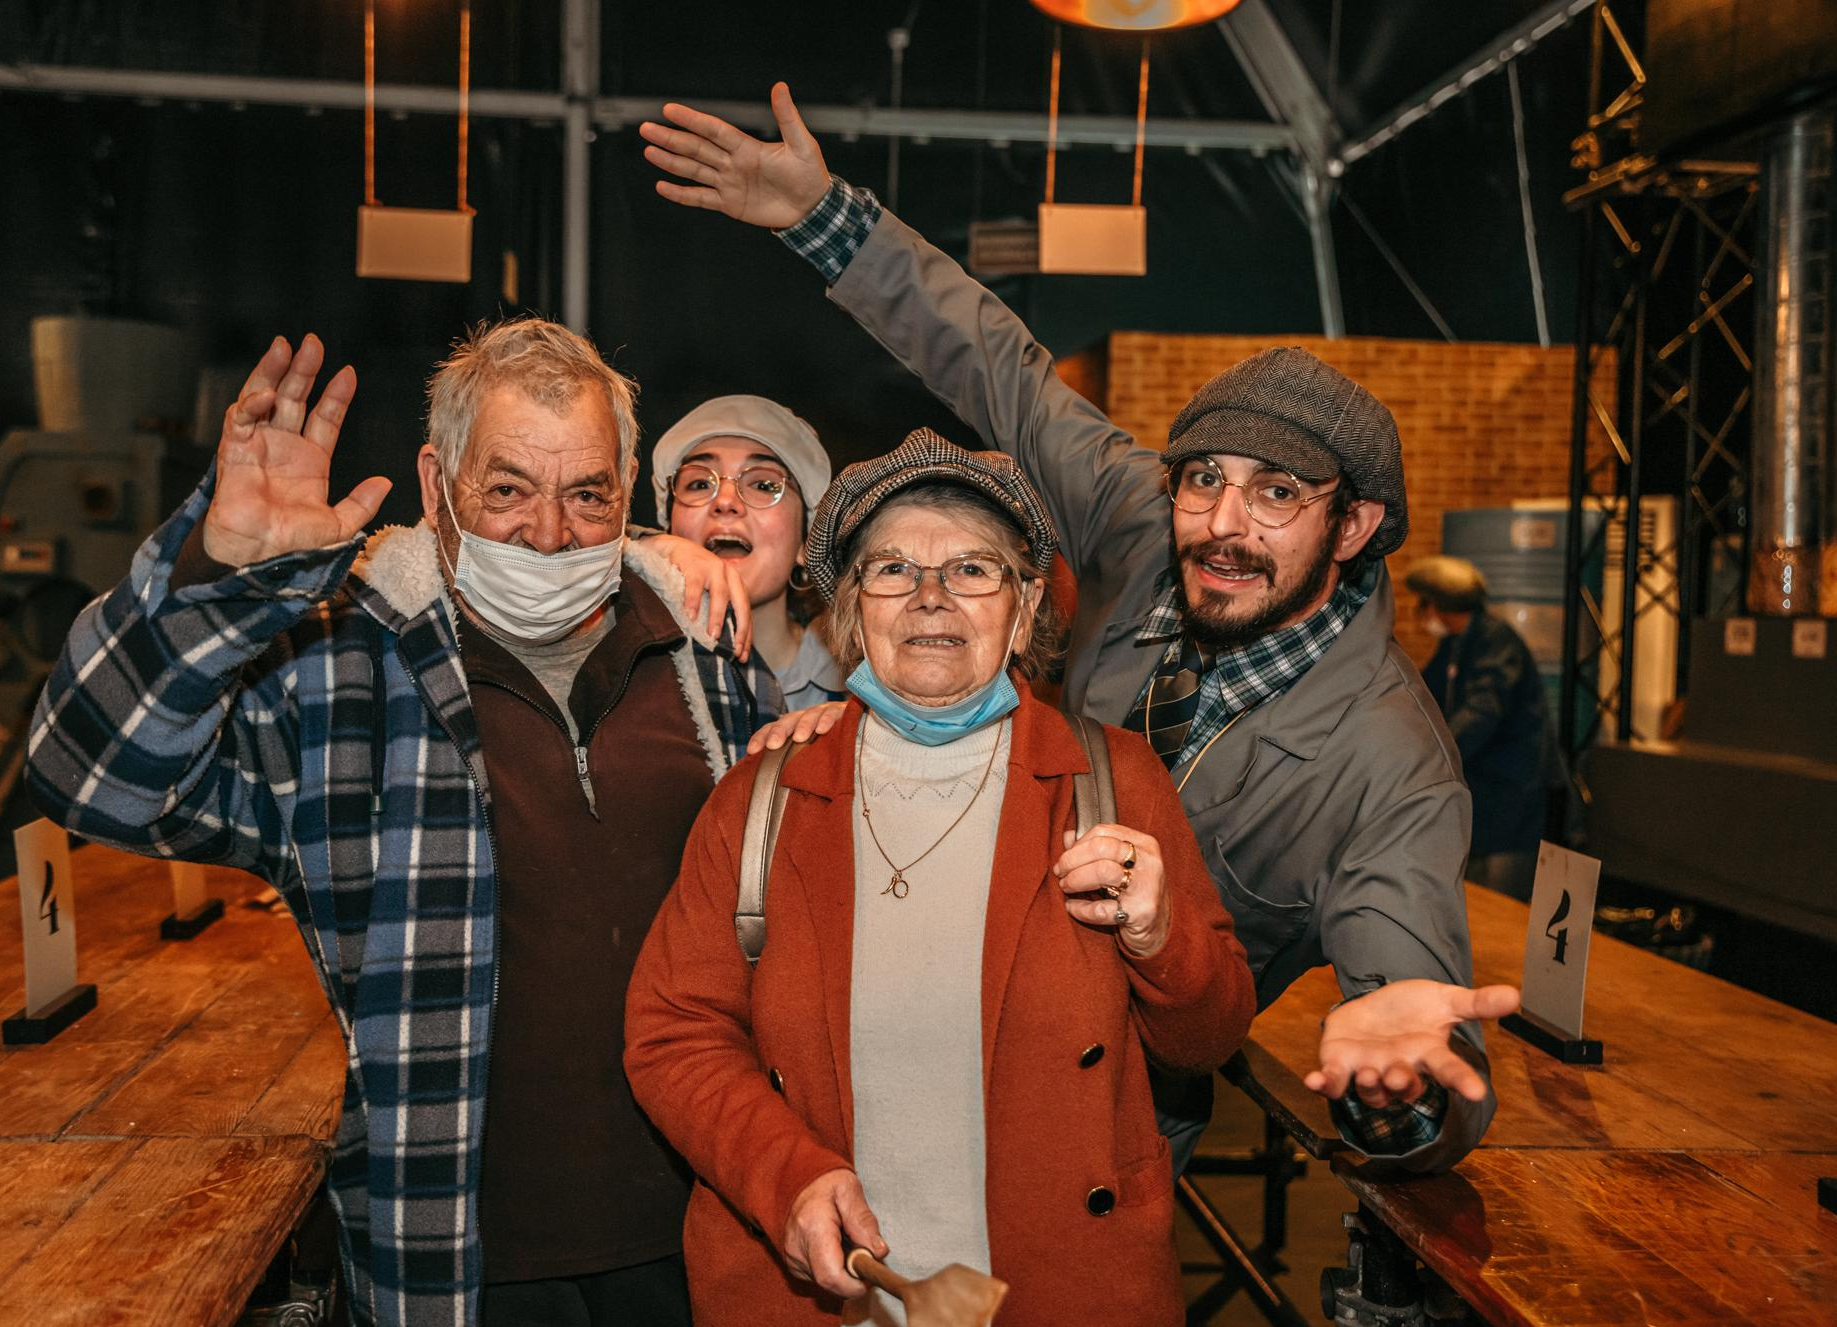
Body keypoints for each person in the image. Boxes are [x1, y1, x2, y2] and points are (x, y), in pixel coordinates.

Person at [641, 84, 1518, 1173]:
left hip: (1121, 1105)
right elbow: (997, 368)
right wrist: (830, 221)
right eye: (1204, 479)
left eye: (1278, 495)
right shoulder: (1146, 527)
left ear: (1355, 526)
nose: (1223, 526)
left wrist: (1400, 1092)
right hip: (941, 994)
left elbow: (1407, 987)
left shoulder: (1389, 761)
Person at [26, 323, 762, 1327]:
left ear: (630, 484)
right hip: (460, 1260)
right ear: (436, 479)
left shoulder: (707, 650)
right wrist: (208, 584)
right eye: (505, 489)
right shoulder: (338, 667)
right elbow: (89, 772)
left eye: (587, 493)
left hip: (709, 1241)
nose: (548, 534)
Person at [624, 434, 1255, 1327]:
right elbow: (672, 1033)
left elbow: (1213, 1032)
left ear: (1025, 601)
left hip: (1056, 1293)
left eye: (971, 568)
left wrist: (1160, 937)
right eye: (891, 569)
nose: (930, 598)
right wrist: (784, 1172)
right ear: (850, 604)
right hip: (822, 1297)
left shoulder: (1110, 780)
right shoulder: (763, 798)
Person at [654, 395, 846, 717]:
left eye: (764, 484)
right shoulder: (629, 669)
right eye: (700, 483)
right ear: (669, 531)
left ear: (807, 538)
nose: (726, 500)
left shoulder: (861, 686)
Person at [1406, 554, 1554, 901]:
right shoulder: (1456, 643)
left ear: (1440, 605)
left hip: (1508, 793)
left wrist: (1433, 754)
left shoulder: (1496, 642)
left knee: (1500, 903)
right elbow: (1421, 693)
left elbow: (1483, 710)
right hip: (1479, 792)